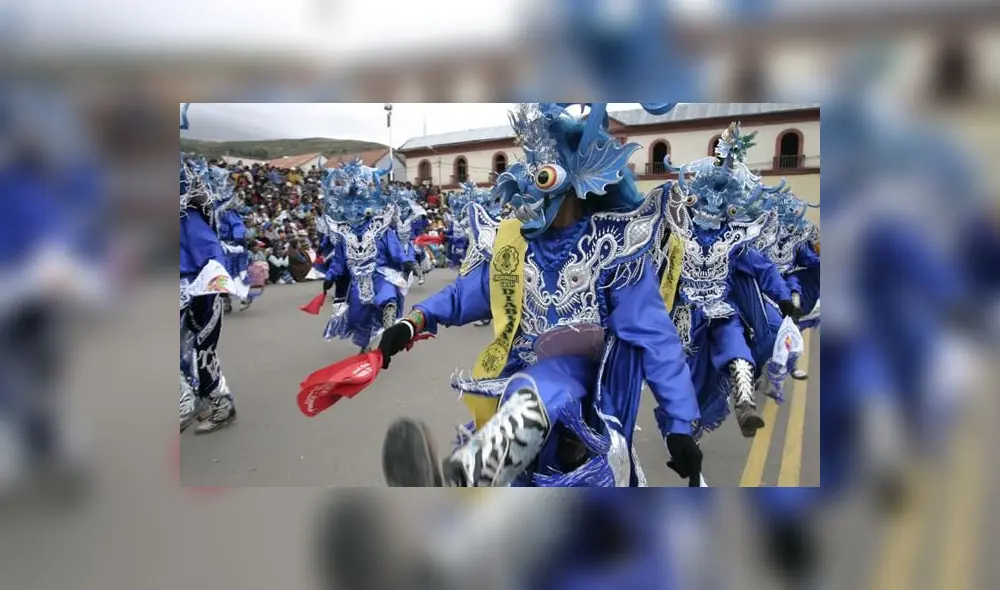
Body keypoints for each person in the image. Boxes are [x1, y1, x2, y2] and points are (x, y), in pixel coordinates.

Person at [376, 103, 701, 487]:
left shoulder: (612, 248)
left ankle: (464, 477)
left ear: (577, 182)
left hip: (585, 403)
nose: (529, 190)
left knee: (546, 384)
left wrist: (679, 423)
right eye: (527, 175)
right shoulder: (515, 245)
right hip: (518, 397)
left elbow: (655, 338)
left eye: (542, 177)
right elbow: (465, 294)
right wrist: (413, 322)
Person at [656, 123, 800, 439]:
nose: (712, 203)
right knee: (686, 376)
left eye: (721, 198)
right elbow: (661, 269)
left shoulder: (735, 238)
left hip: (723, 308)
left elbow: (763, 269)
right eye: (707, 195)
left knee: (734, 343)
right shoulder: (678, 233)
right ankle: (683, 425)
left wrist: (785, 296)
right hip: (686, 314)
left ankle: (745, 402)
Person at [317, 159, 417, 351]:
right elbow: (339, 261)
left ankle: (389, 319)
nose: (354, 209)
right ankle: (368, 345)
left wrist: (406, 262)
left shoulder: (379, 227)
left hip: (379, 272)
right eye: (349, 205)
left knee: (387, 295)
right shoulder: (343, 232)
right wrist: (330, 276)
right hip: (357, 280)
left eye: (359, 204)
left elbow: (395, 248)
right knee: (358, 317)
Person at [179, 156, 240, 434]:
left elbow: (210, 251)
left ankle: (218, 404)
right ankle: (199, 400)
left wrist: (210, 283)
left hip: (196, 294)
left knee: (201, 352)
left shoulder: (188, 218)